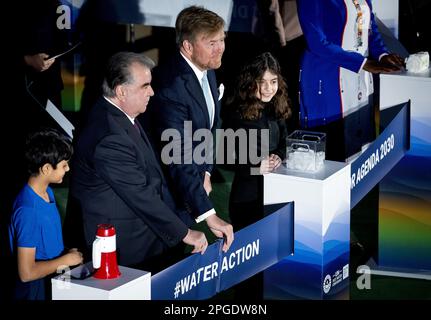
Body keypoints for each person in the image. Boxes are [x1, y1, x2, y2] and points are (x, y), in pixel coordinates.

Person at [69, 52, 208, 272]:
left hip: (142, 236)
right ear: (121, 91)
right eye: (145, 86)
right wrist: (185, 232)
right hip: (125, 250)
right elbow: (141, 196)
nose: (152, 92)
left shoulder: (120, 115)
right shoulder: (109, 136)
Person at [147, 6, 233, 252]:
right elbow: (177, 156)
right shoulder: (171, 86)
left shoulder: (206, 68)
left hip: (189, 187)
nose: (220, 49)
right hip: (166, 195)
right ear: (187, 46)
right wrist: (209, 214)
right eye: (212, 43)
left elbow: (208, 128)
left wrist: (205, 172)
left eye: (222, 40)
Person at [297, 0, 404, 161]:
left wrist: (383, 55)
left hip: (361, 74)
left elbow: (369, 27)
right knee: (333, 151)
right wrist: (362, 63)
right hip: (328, 76)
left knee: (361, 146)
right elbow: (316, 42)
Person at [223, 52, 291, 299]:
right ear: (250, 82)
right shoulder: (236, 112)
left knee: (269, 263)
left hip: (274, 197)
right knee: (248, 269)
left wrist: (279, 156)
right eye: (262, 82)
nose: (268, 88)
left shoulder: (275, 107)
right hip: (246, 199)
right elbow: (224, 158)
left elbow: (284, 141)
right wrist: (254, 166)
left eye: (273, 81)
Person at [8, 129, 83, 300]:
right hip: (35, 290)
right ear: (47, 168)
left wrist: (65, 255)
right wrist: (65, 261)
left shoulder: (46, 191)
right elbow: (26, 273)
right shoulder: (28, 210)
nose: (68, 168)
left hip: (55, 277)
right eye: (64, 165)